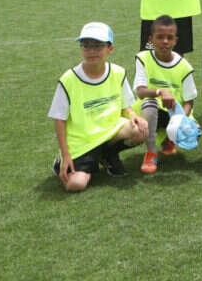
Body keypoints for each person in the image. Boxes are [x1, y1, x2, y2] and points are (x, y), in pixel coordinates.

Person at [49, 22, 149, 192]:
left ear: (110, 49)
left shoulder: (118, 72)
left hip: (110, 131)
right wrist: (65, 154)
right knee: (76, 185)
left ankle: (107, 155)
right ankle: (60, 163)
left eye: (97, 46)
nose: (91, 51)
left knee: (141, 129)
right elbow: (59, 120)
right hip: (83, 141)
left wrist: (134, 116)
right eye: (86, 45)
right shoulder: (68, 79)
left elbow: (126, 107)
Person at [134, 15, 197, 174]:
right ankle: (151, 153)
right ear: (151, 39)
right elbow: (141, 92)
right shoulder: (143, 58)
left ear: (175, 41)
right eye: (160, 37)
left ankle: (169, 138)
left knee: (196, 132)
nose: (165, 41)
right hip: (147, 110)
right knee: (150, 104)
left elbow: (189, 101)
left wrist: (180, 121)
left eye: (169, 38)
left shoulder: (184, 66)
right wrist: (160, 91)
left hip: (174, 112)